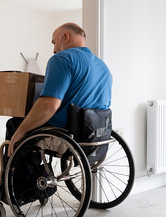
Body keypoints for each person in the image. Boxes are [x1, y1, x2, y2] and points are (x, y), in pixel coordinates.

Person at [6, 22, 112, 157]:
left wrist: (21, 130)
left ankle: (21, 177)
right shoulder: (103, 66)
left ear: (65, 37)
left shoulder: (62, 58)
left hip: (68, 131)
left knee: (15, 123)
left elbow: (49, 106)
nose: (54, 49)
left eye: (54, 42)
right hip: (95, 133)